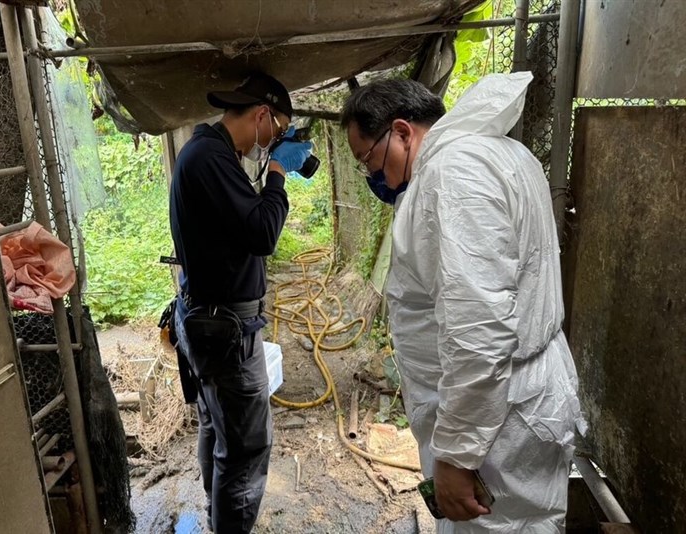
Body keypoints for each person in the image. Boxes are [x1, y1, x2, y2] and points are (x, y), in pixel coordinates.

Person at [341, 72, 586, 533]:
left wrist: (456, 455)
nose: (374, 176)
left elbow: (479, 327)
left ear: (400, 131)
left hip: (497, 419)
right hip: (517, 399)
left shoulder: (451, 175)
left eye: (369, 160)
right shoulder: (503, 153)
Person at [169, 72, 312, 534]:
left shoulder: (209, 154)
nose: (274, 140)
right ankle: (228, 524)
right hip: (225, 333)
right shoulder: (210, 156)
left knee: (218, 432)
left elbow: (239, 228)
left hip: (211, 324)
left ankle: (218, 520)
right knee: (245, 452)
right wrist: (276, 174)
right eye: (278, 130)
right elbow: (261, 232)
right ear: (262, 115)